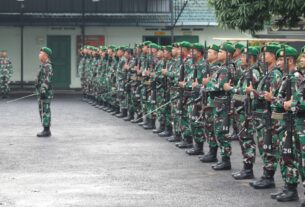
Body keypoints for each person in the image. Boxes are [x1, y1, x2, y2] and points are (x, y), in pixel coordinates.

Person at [35, 47, 53, 137]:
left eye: (41, 53)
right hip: (41, 92)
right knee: (42, 110)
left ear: (45, 55)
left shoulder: (47, 65)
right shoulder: (43, 65)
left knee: (45, 110)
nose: (39, 55)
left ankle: (46, 130)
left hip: (45, 92)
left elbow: (47, 79)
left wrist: (43, 90)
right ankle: (45, 128)